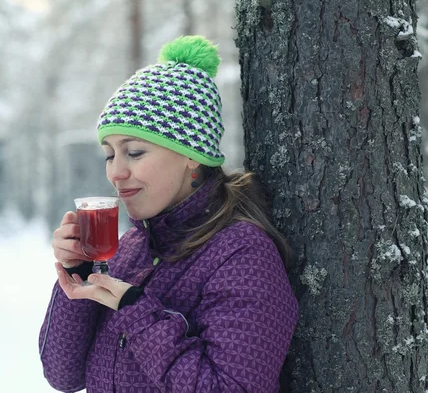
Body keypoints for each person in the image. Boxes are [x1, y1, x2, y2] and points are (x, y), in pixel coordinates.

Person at [39, 35, 298, 393]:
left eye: (135, 152)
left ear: (192, 154)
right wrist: (80, 275)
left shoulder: (242, 255)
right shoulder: (130, 249)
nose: (116, 172)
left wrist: (137, 310)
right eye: (110, 154)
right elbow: (63, 375)